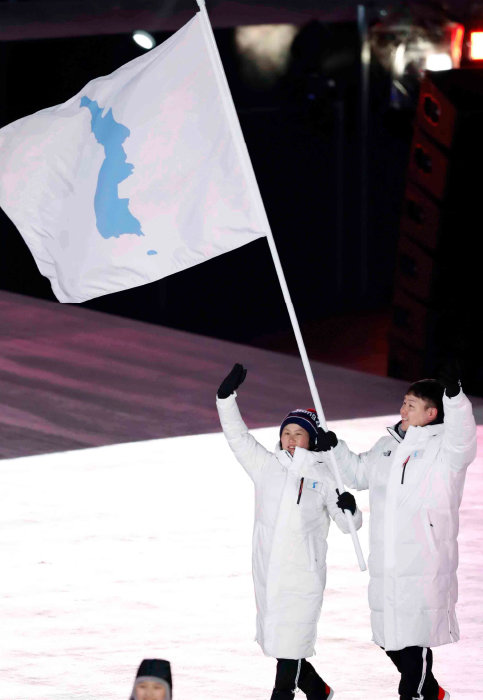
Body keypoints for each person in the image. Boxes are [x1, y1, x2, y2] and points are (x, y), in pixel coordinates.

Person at [316, 370, 477, 700]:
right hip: (387, 562)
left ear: (432, 413)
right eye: (404, 403)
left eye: (412, 405)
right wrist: (335, 448)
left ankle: (416, 695)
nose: (403, 410)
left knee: (414, 639)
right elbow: (359, 472)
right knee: (389, 638)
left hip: (423, 560)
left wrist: (456, 399)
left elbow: (463, 436)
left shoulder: (446, 449)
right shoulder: (386, 445)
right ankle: (432, 693)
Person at [216, 363, 363, 700]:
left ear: (311, 438)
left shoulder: (326, 476)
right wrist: (226, 398)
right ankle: (317, 689)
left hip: (303, 576)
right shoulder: (266, 465)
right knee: (283, 645)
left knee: (291, 647)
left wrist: (350, 508)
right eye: (287, 433)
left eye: (299, 434)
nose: (292, 440)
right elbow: (238, 438)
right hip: (269, 571)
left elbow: (348, 526)